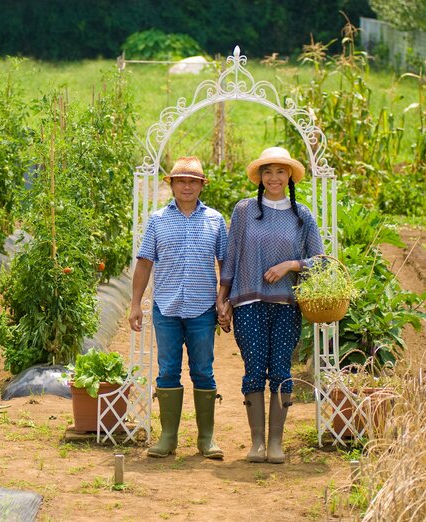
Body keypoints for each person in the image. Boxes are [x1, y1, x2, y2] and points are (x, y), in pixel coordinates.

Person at [217, 147, 324, 464]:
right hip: (249, 302)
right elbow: (232, 258)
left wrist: (291, 264)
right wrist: (223, 299)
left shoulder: (301, 215)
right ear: (260, 177)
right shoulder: (244, 211)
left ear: (289, 175)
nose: (273, 177)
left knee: (280, 370)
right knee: (253, 371)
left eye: (280, 171)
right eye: (267, 172)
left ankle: (276, 442)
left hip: (287, 305)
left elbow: (319, 263)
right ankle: (257, 443)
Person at [129, 156, 228, 459]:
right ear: (171, 185)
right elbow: (145, 263)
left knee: (203, 370)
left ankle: (206, 438)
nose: (187, 186)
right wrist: (135, 304)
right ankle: (168, 438)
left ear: (201, 186)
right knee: (168, 370)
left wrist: (224, 300)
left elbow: (225, 264)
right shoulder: (158, 220)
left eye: (193, 181)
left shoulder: (215, 220)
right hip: (166, 307)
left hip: (202, 309)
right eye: (181, 181)